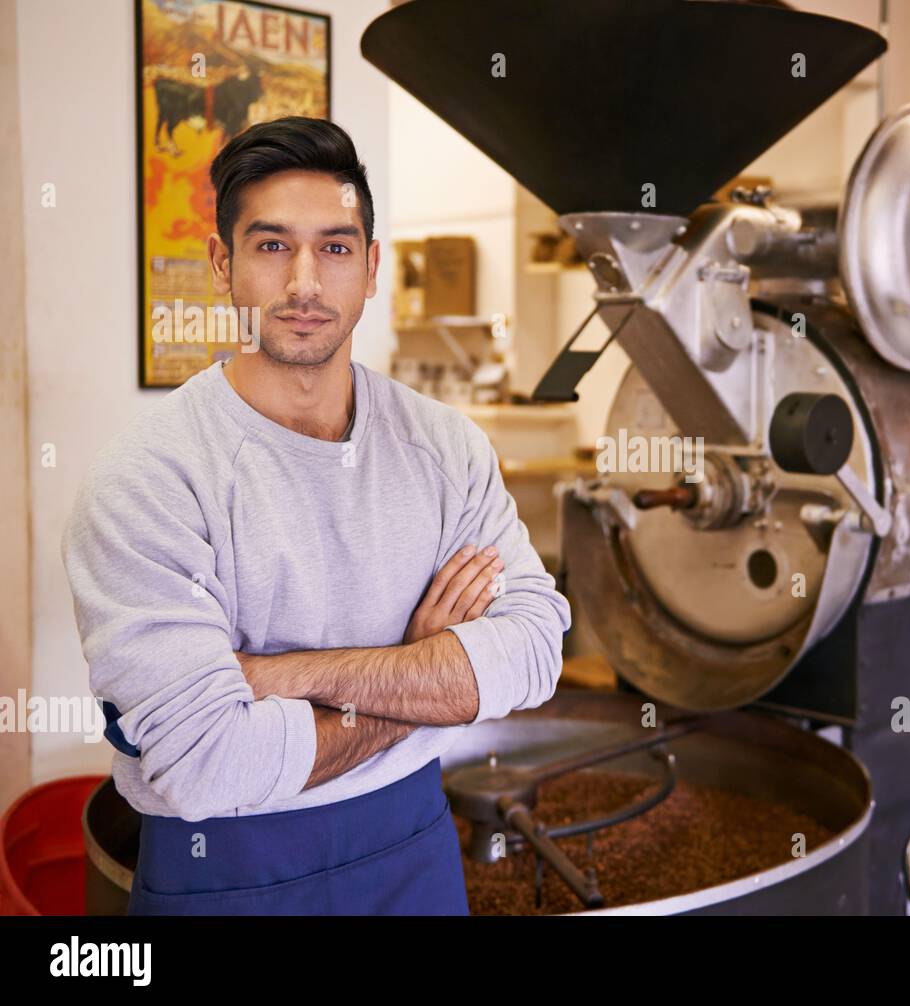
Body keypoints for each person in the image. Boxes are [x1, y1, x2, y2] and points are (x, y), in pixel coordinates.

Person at [61, 116, 571, 915]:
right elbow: (206, 762)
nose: (304, 283)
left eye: (335, 247)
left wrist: (280, 677)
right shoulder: (151, 478)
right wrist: (419, 665)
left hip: (414, 848)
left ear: (370, 269)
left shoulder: (443, 447)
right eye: (272, 247)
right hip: (226, 866)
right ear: (224, 264)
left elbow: (536, 650)